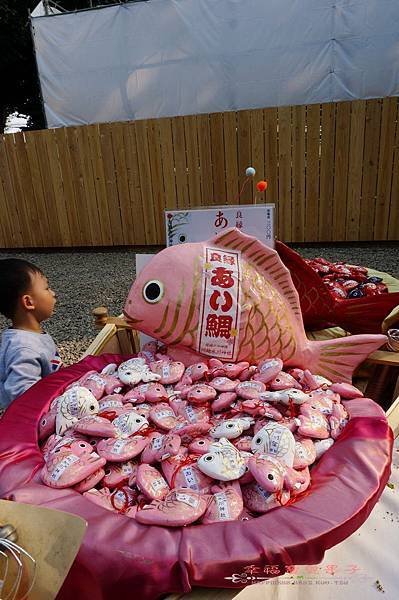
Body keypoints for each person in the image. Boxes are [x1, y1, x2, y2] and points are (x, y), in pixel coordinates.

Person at [0, 258, 62, 413]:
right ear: (28, 302)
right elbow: (23, 398)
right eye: (47, 288)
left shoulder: (29, 335)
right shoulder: (24, 348)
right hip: (38, 421)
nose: (53, 293)